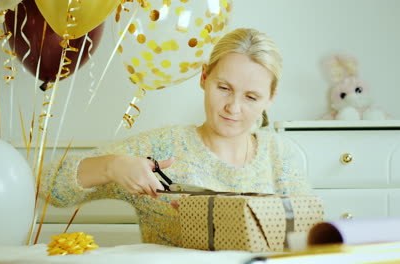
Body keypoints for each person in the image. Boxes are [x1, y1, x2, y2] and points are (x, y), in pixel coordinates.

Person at [40, 28, 312, 247]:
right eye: (224, 88)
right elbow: (50, 184)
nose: (234, 107)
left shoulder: (280, 155)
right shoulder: (162, 148)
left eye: (251, 97)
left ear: (271, 99)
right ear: (204, 77)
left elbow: (308, 238)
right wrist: (113, 166)